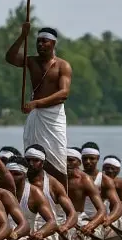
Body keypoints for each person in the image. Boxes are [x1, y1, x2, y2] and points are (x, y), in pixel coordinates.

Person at [6, 24, 72, 190]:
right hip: (36, 117)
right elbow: (10, 58)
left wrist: (36, 103)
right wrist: (22, 36)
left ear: (53, 44)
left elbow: (64, 93)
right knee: (33, 157)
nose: (40, 45)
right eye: (38, 41)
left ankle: (62, 202)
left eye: (45, 41)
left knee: (58, 158)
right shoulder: (31, 61)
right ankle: (36, 194)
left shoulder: (62, 66)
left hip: (54, 116)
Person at [23, 144, 80, 240]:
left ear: (43, 163)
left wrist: (65, 227)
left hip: (50, 231)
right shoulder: (19, 180)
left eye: (35, 160)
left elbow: (73, 214)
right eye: (28, 160)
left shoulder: (54, 185)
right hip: (25, 230)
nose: (30, 164)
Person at [6, 156, 60, 240]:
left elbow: (52, 222)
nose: (12, 178)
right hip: (3, 237)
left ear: (25, 175)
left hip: (24, 238)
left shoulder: (34, 193)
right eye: (9, 174)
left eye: (17, 174)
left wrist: (40, 233)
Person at [80, 142, 122, 238]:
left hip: (98, 219)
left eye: (92, 158)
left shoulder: (105, 180)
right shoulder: (75, 178)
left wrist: (109, 219)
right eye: (85, 158)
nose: (88, 161)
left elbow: (118, 205)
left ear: (98, 158)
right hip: (79, 219)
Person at [64, 147, 106, 240]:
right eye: (64, 160)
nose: (66, 163)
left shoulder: (85, 180)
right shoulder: (55, 178)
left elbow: (102, 210)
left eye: (71, 160)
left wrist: (91, 225)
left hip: (78, 219)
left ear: (79, 163)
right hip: (58, 219)